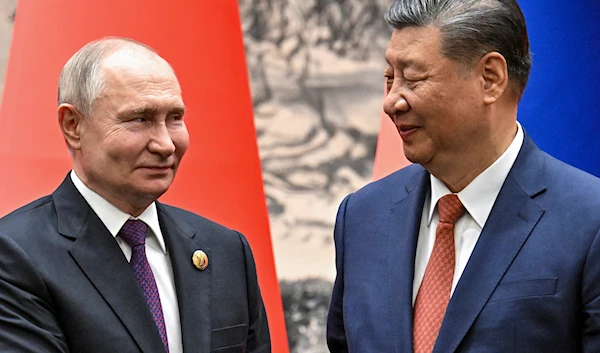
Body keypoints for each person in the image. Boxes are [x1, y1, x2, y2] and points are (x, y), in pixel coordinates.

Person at [326, 0, 600, 352]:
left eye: (412, 78)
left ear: (490, 78)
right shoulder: (363, 217)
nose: (392, 101)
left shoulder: (588, 222)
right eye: (389, 78)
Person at [0, 37, 270, 353]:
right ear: (73, 125)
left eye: (175, 118)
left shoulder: (226, 250)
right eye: (140, 119)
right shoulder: (16, 255)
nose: (166, 144)